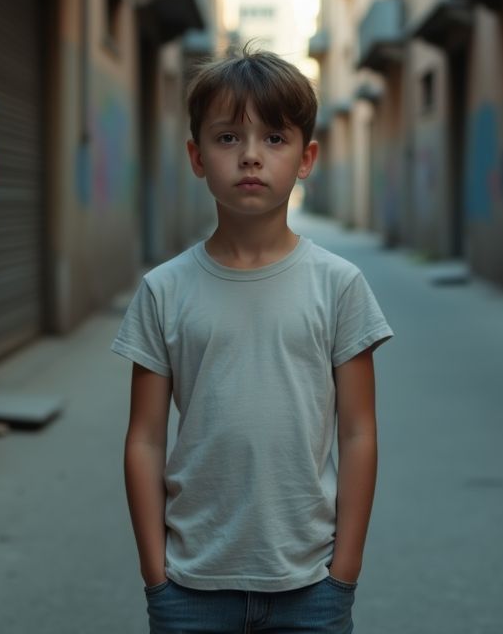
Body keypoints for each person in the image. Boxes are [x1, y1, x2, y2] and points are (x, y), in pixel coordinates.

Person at [113, 47, 393, 633]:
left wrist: (345, 570)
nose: (249, 157)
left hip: (310, 584)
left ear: (306, 156)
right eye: (226, 138)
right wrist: (155, 575)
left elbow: (359, 430)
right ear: (196, 156)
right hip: (191, 585)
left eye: (273, 138)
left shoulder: (339, 286)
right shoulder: (164, 291)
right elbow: (144, 437)